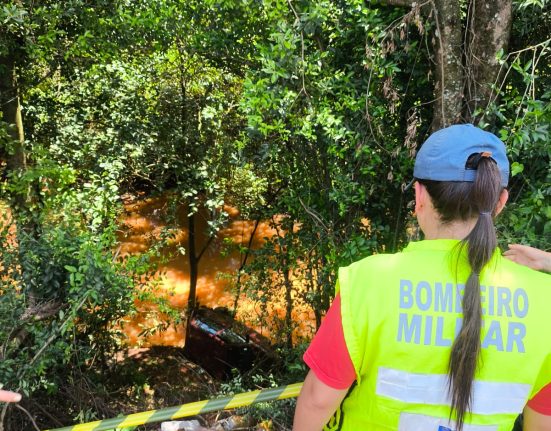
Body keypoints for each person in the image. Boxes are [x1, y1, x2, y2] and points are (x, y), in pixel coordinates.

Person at [293, 124, 551, 431]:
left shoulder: (369, 282)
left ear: (419, 196)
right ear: (500, 202)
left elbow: (317, 400)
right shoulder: (544, 300)